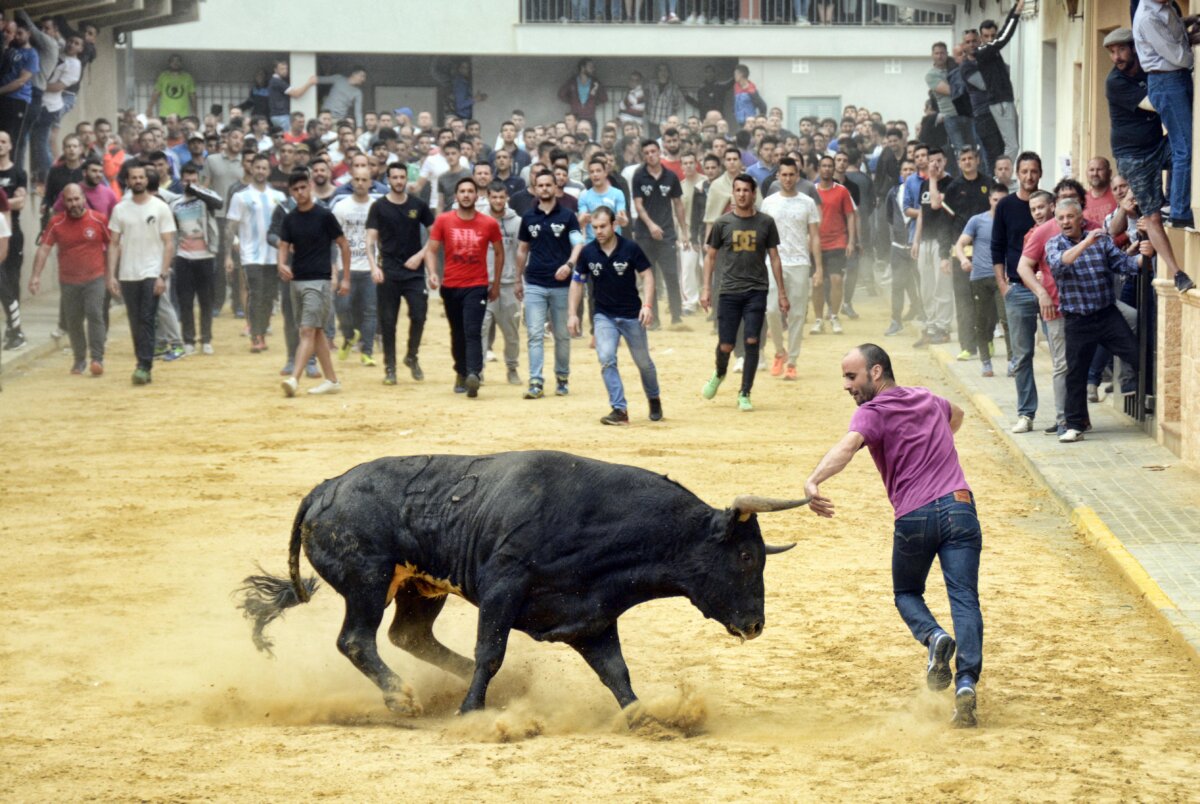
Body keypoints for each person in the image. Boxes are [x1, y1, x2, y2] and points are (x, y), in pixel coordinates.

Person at [803, 344, 982, 728]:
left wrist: (815, 480)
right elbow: (960, 414)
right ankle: (966, 684)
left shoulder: (872, 413)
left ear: (877, 372)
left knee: (906, 593)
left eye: (852, 377)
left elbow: (847, 448)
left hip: (915, 515)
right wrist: (936, 443)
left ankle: (934, 638)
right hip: (960, 505)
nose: (847, 386)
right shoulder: (925, 398)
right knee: (964, 598)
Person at [1046, 198, 1152, 442]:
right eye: (1060, 218)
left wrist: (1142, 257)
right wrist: (1086, 242)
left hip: (1105, 314)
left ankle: (1147, 397)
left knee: (1137, 354)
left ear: (1080, 217)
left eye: (1069, 217)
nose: (1065, 222)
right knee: (1076, 373)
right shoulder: (1055, 244)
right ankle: (1075, 424)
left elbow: (1122, 264)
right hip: (1076, 319)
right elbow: (1061, 264)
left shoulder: (1101, 241)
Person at [1103, 27, 1194, 293]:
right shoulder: (1115, 82)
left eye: (1121, 49)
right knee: (1152, 217)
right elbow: (1157, 104)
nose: (1116, 57)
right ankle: (1178, 274)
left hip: (1155, 144)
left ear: (1134, 48)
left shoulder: (1148, 66)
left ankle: (1176, 204)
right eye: (1111, 52)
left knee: (1187, 149)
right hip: (1134, 157)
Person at [568, 205, 663, 425]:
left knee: (643, 362)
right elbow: (577, 282)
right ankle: (619, 410)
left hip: (631, 315)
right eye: (594, 227)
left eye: (603, 226)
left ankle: (654, 397)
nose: (598, 231)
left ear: (614, 225)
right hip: (604, 316)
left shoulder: (630, 248)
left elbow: (648, 276)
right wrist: (573, 313)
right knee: (606, 358)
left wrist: (647, 305)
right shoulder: (588, 252)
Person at [700, 173, 786, 412]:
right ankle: (719, 373)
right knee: (726, 345)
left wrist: (781, 293)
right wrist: (706, 288)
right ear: (733, 194)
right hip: (728, 291)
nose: (741, 194)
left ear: (753, 193)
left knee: (752, 341)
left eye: (746, 190)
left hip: (756, 290)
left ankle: (745, 392)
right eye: (737, 190)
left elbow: (775, 258)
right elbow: (711, 257)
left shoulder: (766, 223)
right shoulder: (722, 223)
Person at [424, 176, 503, 397]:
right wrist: (432, 273)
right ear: (456, 196)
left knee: (472, 330)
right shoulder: (443, 221)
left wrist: (495, 283)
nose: (466, 195)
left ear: (477, 196)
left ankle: (474, 375)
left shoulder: (488, 223)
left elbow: (499, 252)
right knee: (457, 333)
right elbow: (431, 250)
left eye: (470, 191)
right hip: (450, 285)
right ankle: (460, 372)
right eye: (462, 191)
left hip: (477, 285)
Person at [278, 168, 350, 397]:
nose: (300, 192)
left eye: (303, 187)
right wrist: (281, 264)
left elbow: (343, 245)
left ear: (309, 186)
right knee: (316, 331)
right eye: (295, 189)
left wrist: (345, 277)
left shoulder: (324, 215)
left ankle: (294, 379)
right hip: (297, 281)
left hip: (319, 281)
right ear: (291, 192)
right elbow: (282, 245)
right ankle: (332, 380)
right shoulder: (289, 219)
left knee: (307, 331)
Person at [515, 170, 584, 399]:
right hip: (534, 282)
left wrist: (570, 264)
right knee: (535, 334)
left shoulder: (567, 216)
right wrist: (518, 279)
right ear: (534, 189)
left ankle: (562, 377)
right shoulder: (528, 217)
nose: (544, 189)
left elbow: (577, 243)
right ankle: (536, 381)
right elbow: (522, 250)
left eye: (548, 185)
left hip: (562, 286)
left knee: (562, 335)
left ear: (556, 188)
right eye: (540, 185)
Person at [105, 164, 176, 386]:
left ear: (147, 180)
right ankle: (142, 361)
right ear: (127, 181)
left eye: (141, 177)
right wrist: (111, 276)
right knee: (135, 321)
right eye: (133, 178)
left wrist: (162, 275)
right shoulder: (120, 210)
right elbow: (114, 244)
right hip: (128, 274)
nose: (137, 181)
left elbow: (169, 244)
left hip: (152, 272)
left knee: (147, 317)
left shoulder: (160, 208)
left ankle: (144, 366)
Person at [28, 183, 109, 375]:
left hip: (95, 277)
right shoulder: (56, 223)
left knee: (94, 313)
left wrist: (112, 274)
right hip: (68, 281)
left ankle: (97, 358)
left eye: (76, 199)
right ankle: (79, 359)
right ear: (63, 202)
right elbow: (44, 249)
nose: (73, 203)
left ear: (83, 199)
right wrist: (36, 276)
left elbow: (113, 245)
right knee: (73, 321)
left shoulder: (98, 220)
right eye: (69, 200)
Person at [367, 162, 435, 386]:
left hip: (414, 272)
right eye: (394, 177)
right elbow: (370, 242)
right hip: (388, 272)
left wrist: (421, 256)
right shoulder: (378, 207)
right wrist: (374, 267)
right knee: (388, 321)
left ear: (407, 179)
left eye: (402, 177)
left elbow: (435, 238)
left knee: (419, 314)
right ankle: (390, 367)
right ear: (388, 179)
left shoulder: (418, 205)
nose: (398, 181)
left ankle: (411, 355)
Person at [1133, 0, 1198, 228]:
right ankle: (1180, 209)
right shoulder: (1147, 17)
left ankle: (1177, 203)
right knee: (1185, 147)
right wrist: (1194, 54)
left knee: (1183, 144)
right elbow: (1177, 55)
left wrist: (1187, 24)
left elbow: (1175, 35)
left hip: (1174, 78)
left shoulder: (1164, 7)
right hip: (1167, 80)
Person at [991, 151, 1042, 433]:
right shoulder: (1007, 206)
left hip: (1048, 289)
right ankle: (1026, 413)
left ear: (1040, 173)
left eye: (1034, 171)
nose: (1029, 176)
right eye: (1024, 171)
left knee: (1063, 356)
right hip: (1018, 290)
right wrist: (1002, 284)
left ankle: (1066, 415)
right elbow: (996, 247)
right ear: (1017, 174)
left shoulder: (1048, 204)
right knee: (1022, 356)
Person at [760, 157, 822, 381]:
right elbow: (762, 236)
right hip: (773, 261)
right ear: (778, 176)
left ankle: (793, 361)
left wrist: (819, 268)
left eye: (791, 174)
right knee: (772, 310)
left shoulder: (807, 202)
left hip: (800, 263)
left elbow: (815, 236)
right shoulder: (768, 202)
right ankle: (779, 351)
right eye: (783, 174)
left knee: (797, 314)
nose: (787, 179)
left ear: (798, 175)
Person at [226, 153, 285, 353]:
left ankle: (262, 327)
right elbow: (231, 226)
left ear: (269, 171)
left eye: (264, 168)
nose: (260, 171)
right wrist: (228, 254)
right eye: (257, 167)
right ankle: (256, 335)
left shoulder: (279, 197)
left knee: (269, 295)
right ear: (251, 169)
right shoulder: (240, 196)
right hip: (250, 254)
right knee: (256, 292)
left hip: (273, 254)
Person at [954, 183, 1009, 377]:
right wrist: (963, 260)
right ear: (990, 200)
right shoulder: (977, 221)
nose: (999, 204)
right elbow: (960, 244)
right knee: (981, 321)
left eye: (1003, 201)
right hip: (979, 277)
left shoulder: (1011, 221)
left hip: (1003, 277)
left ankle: (1012, 361)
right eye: (996, 200)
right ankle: (986, 362)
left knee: (1006, 319)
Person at [631, 137, 687, 327]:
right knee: (649, 275)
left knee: (671, 274)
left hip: (667, 233)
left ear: (659, 151)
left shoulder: (670, 176)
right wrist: (651, 225)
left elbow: (678, 204)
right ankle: (652, 318)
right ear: (643, 156)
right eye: (646, 153)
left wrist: (684, 231)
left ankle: (676, 316)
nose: (651, 156)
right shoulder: (639, 176)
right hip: (645, 234)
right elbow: (638, 205)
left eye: (653, 151)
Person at [169, 163, 223, 355]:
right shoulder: (175, 203)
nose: (189, 184)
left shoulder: (206, 200)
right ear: (181, 180)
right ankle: (189, 339)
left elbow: (219, 203)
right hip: (183, 257)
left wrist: (198, 190)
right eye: (186, 181)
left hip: (206, 256)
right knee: (185, 300)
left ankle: (206, 339)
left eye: (193, 180)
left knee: (206, 300)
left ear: (198, 181)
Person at [331, 167, 379, 367]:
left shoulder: (378, 206)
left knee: (370, 311)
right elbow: (332, 239)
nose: (360, 183)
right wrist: (334, 268)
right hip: (346, 267)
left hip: (370, 267)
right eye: (356, 179)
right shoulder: (340, 207)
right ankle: (349, 336)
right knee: (342, 307)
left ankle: (367, 351)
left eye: (364, 179)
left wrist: (379, 264)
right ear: (351, 182)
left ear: (370, 183)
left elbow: (383, 238)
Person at [480, 180, 523, 386]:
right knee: (480, 329)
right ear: (488, 197)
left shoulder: (517, 222)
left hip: (508, 285)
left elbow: (522, 253)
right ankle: (478, 371)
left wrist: (519, 280)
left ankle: (512, 368)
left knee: (512, 332)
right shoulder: (479, 220)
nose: (498, 201)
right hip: (482, 284)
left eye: (501, 197)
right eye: (493, 197)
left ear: (507, 197)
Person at [810, 155, 855, 335]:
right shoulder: (811, 190)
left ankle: (834, 316)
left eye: (830, 166)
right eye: (824, 166)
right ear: (819, 169)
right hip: (816, 243)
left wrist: (851, 241)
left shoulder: (842, 191)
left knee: (836, 279)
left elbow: (851, 215)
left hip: (838, 241)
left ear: (834, 168)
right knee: (817, 283)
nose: (827, 169)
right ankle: (819, 320)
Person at [0, 129, 26, 350]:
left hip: (11, 232)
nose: (0, 145)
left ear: (10, 146)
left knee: (10, 281)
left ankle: (15, 329)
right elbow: (13, 201)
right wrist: (10, 201)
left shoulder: (18, 172)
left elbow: (21, 202)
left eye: (3, 141)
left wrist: (4, 201)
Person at [557, 58, 607, 129]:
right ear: (582, 68)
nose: (593, 69)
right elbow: (561, 94)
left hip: (590, 118)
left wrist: (592, 102)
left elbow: (604, 98)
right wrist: (573, 102)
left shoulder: (595, 82)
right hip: (576, 118)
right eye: (590, 67)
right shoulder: (572, 81)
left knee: (591, 140)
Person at [267, 59, 316, 131]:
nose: (285, 71)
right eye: (282, 69)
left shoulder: (276, 81)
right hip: (281, 115)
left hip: (277, 115)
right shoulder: (277, 82)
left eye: (286, 68)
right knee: (286, 137)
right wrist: (309, 83)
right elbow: (296, 94)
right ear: (275, 70)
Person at [147, 53, 194, 119]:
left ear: (181, 63)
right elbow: (156, 93)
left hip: (182, 114)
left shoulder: (187, 77)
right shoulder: (163, 76)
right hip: (165, 114)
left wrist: (195, 112)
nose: (175, 63)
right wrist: (149, 108)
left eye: (178, 61)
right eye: (173, 61)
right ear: (169, 63)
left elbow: (192, 96)